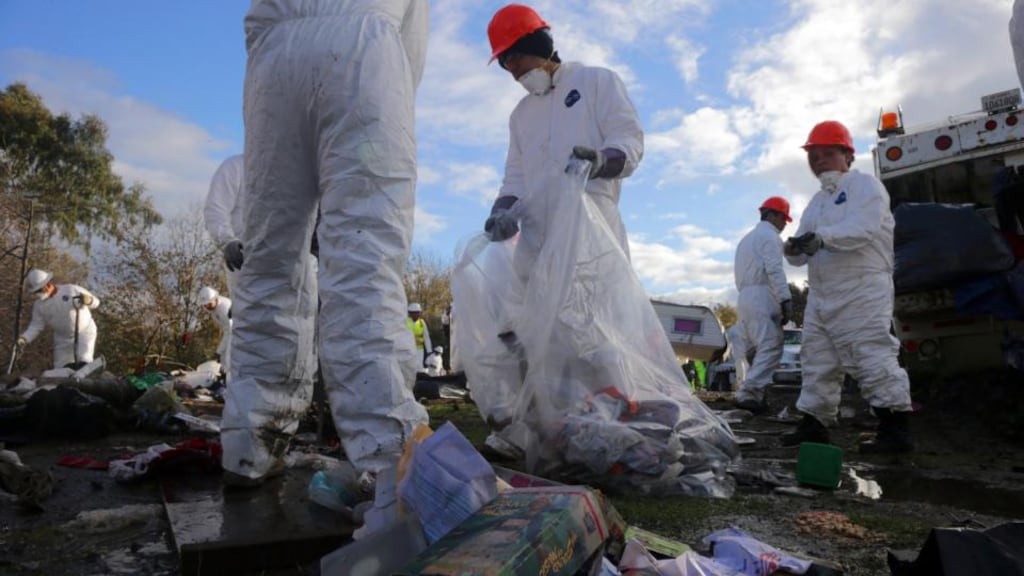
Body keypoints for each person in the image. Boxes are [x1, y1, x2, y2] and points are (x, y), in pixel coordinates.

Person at [222, 0, 430, 489]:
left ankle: (248, 443)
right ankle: (388, 455)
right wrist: (394, 94)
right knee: (365, 255)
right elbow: (411, 44)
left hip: (272, 58)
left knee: (269, 255)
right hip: (367, 53)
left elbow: (253, 24)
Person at [781, 120, 913, 454]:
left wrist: (821, 238)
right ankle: (814, 425)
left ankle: (895, 430)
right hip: (823, 294)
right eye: (814, 155)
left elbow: (864, 228)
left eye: (827, 153)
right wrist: (793, 248)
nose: (819, 160)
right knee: (816, 360)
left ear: (847, 155)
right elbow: (802, 254)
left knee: (870, 353)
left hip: (861, 288)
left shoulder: (864, 187)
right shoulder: (816, 203)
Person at [483, 3, 643, 272]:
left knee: (598, 312)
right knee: (531, 314)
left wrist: (602, 161)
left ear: (536, 44)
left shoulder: (596, 82)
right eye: (503, 64)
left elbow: (628, 139)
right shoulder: (521, 116)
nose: (512, 72)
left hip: (593, 241)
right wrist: (500, 213)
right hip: (536, 250)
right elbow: (515, 180)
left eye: (513, 59)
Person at [732, 196, 793, 414]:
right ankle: (749, 392)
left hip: (744, 297)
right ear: (773, 215)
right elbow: (774, 269)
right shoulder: (770, 237)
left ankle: (756, 393)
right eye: (784, 218)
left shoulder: (746, 239)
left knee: (753, 350)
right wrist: (785, 298)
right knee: (771, 344)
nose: (785, 224)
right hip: (760, 295)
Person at [17, 268, 101, 370]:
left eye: (38, 290)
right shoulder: (39, 306)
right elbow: (36, 325)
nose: (37, 294)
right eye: (35, 292)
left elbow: (96, 302)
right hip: (62, 339)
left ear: (47, 285)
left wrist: (89, 300)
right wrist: (24, 338)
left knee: (84, 363)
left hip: (85, 332)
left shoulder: (71, 289)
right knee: (60, 369)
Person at [203, 154, 245, 295]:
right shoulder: (235, 167)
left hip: (290, 269)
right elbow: (216, 210)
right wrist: (227, 241)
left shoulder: (291, 170)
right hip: (246, 266)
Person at [198, 286, 232, 372]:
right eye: (205, 305)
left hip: (237, 334)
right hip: (230, 334)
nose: (207, 307)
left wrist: (219, 351)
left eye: (209, 304)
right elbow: (226, 331)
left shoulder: (225, 308)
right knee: (223, 359)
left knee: (228, 359)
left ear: (215, 298)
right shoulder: (214, 310)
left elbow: (231, 331)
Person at [405, 303, 432, 367]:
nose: (418, 314)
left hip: (419, 349)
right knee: (409, 367)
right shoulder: (405, 322)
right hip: (408, 349)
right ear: (410, 313)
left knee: (419, 366)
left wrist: (429, 351)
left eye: (418, 312)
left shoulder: (421, 322)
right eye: (415, 313)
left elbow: (426, 337)